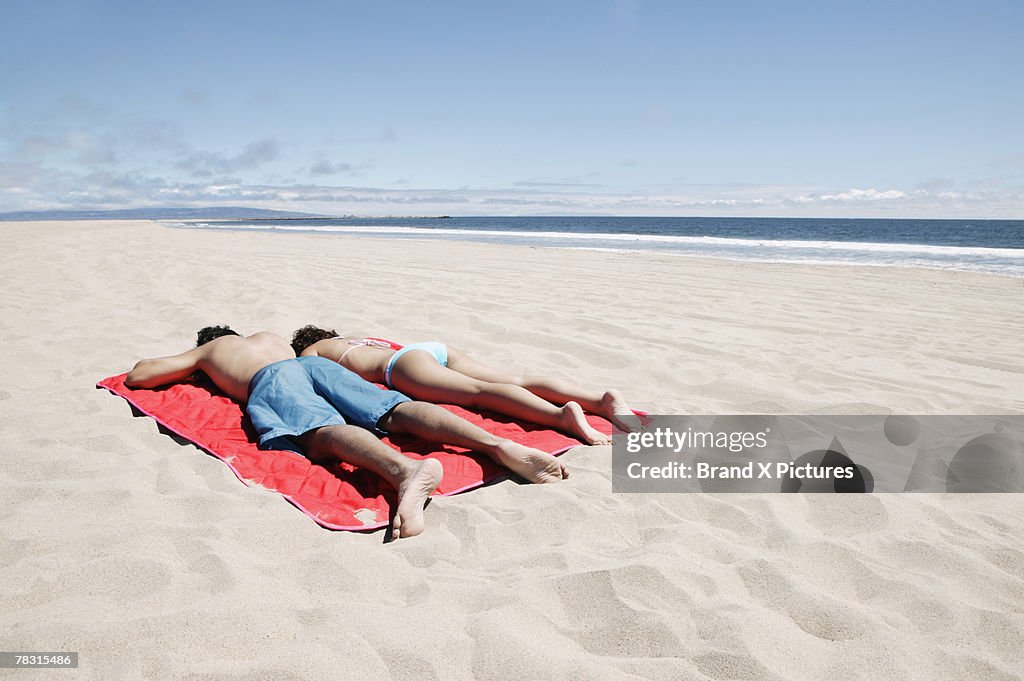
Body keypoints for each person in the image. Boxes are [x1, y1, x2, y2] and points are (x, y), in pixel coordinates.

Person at [125, 326, 568, 540]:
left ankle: (404, 471)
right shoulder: (275, 337)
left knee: (315, 430)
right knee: (394, 411)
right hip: (312, 366)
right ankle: (498, 444)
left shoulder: (216, 347)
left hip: (274, 379)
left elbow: (141, 377)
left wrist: (198, 357)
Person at [290, 325, 639, 445]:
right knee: (515, 379)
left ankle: (559, 416)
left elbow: (307, 371)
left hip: (401, 367)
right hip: (428, 349)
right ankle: (599, 399)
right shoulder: (356, 338)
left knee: (478, 394)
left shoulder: (314, 349)